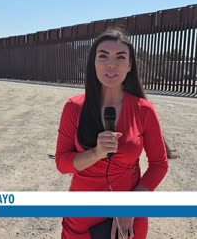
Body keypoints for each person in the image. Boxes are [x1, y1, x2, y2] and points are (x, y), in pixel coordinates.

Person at [55, 28, 169, 239]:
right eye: (103, 56)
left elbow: (159, 165)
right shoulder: (74, 107)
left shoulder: (144, 110)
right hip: (81, 217)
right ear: (94, 63)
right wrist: (96, 153)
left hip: (126, 221)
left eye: (120, 57)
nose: (111, 64)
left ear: (129, 65)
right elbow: (62, 164)